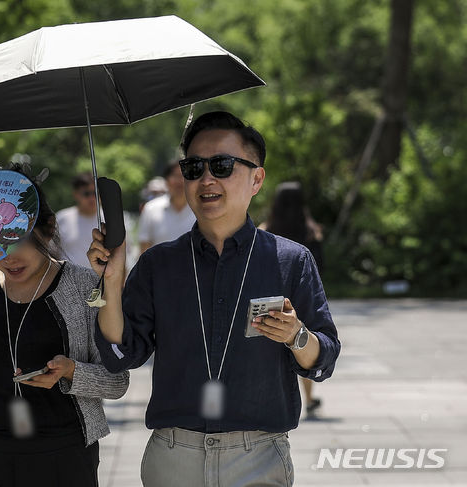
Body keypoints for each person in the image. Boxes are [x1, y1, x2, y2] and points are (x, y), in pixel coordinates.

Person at [88, 111, 340, 486]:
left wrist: (295, 335)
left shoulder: (291, 260)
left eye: (222, 165)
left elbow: (323, 360)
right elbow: (120, 354)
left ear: (256, 178)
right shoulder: (160, 263)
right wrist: (112, 281)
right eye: (193, 167)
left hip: (258, 456)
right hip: (173, 457)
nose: (206, 178)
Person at [0, 163, 129, 487]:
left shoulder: (86, 288)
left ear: (47, 229)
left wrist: (71, 371)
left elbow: (117, 380)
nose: (9, 256)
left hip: (62, 458)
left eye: (18, 239)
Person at [261, 181, 325, 416]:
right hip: (303, 296)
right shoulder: (312, 230)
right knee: (303, 344)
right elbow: (320, 266)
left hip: (275, 299)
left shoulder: (266, 229)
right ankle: (308, 399)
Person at [138, 160, 195, 254]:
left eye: (184, 175)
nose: (180, 181)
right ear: (166, 180)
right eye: (175, 176)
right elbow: (144, 248)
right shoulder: (151, 209)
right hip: (159, 268)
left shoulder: (201, 209)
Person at [55, 173, 98, 268]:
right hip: (68, 281)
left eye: (95, 193)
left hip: (103, 281)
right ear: (76, 194)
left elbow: (122, 259)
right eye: (87, 194)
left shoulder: (110, 220)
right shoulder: (62, 218)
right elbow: (52, 254)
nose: (92, 198)